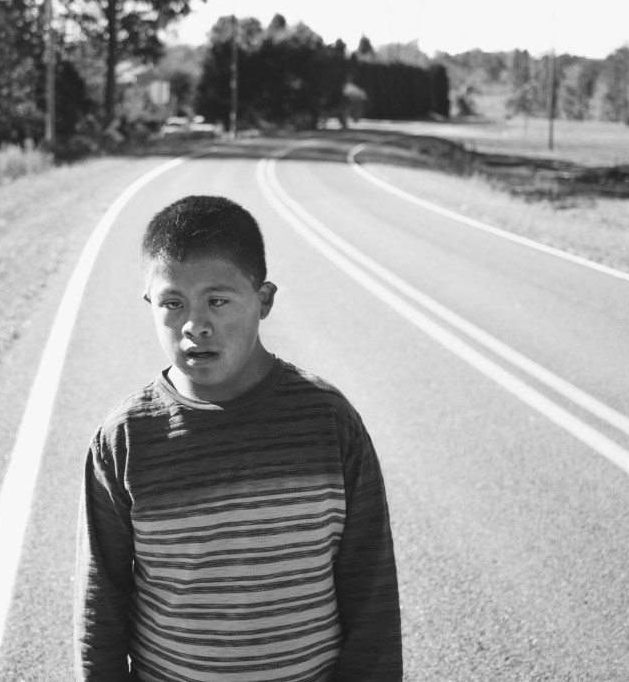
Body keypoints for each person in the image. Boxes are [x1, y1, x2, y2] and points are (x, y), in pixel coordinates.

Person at [73, 194, 401, 681]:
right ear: (150, 304)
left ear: (263, 300)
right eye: (172, 303)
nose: (194, 325)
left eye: (218, 301)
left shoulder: (328, 422)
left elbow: (371, 592)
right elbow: (101, 604)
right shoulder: (126, 438)